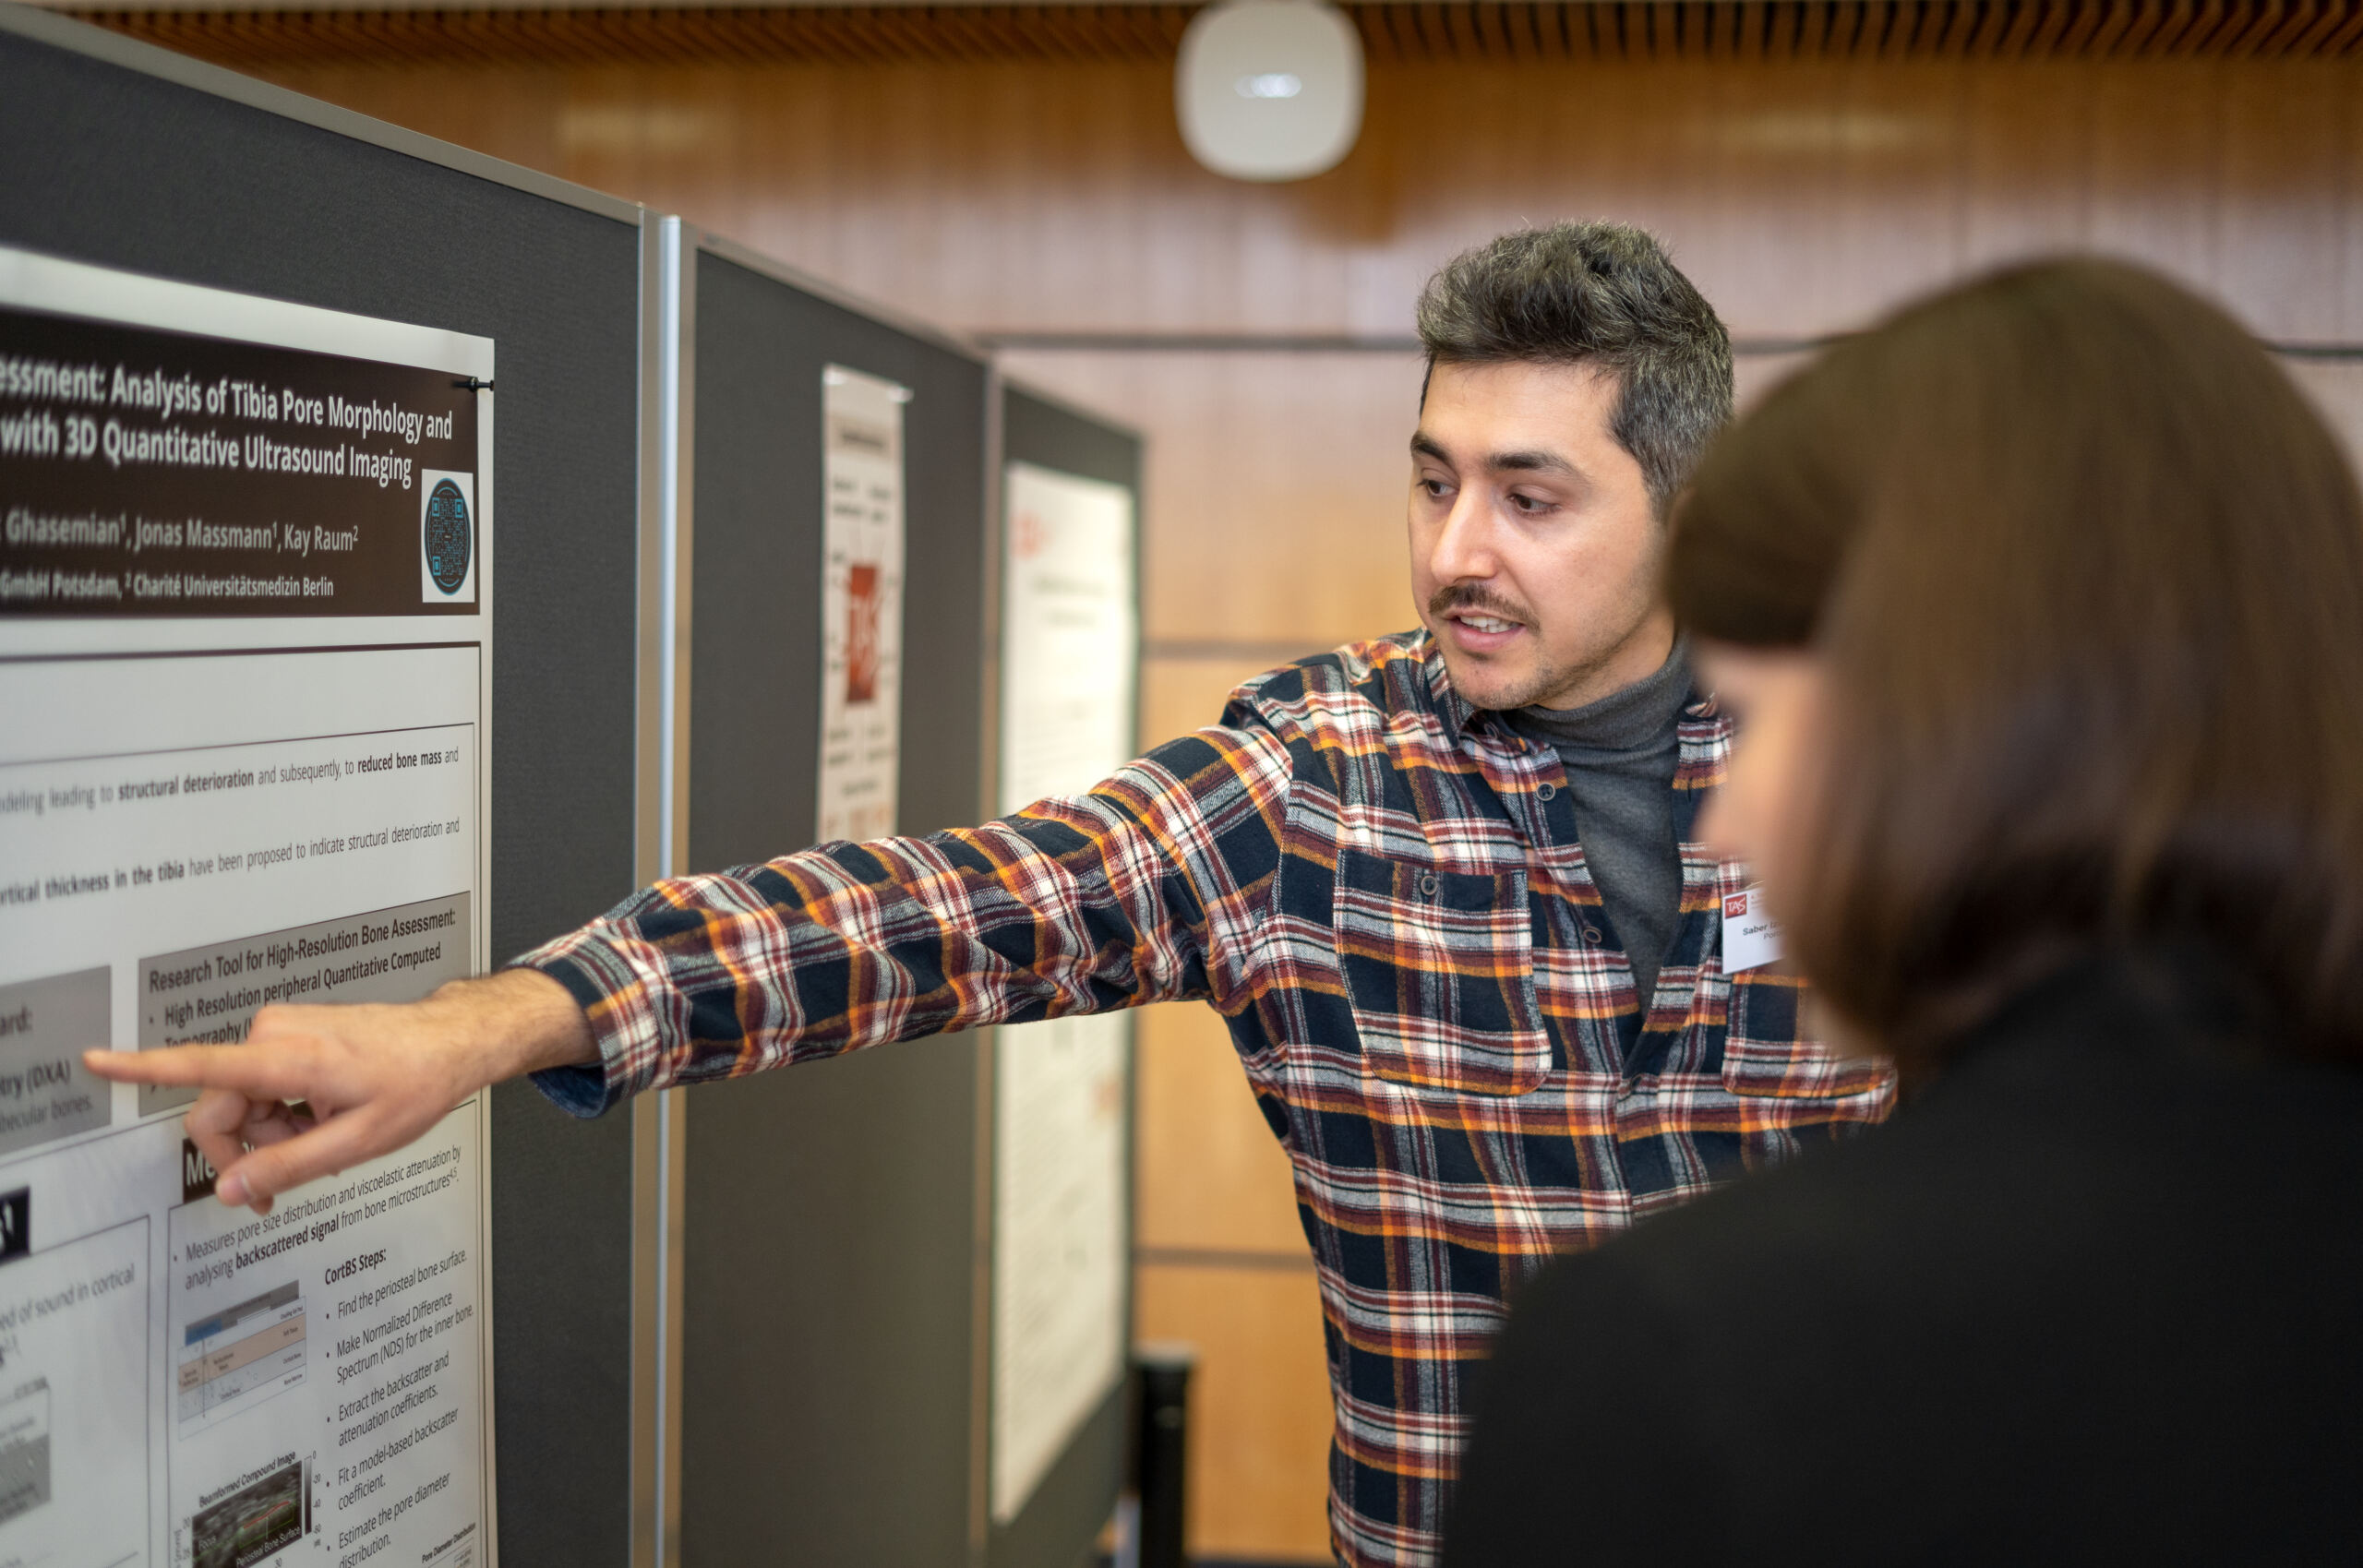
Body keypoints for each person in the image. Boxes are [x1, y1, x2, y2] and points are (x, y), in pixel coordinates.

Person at [87, 221, 1894, 1568]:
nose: (1447, 550)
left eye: (1526, 495)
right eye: (1428, 479)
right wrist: (487, 1022)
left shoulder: (1887, 775)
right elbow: (941, 908)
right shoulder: (1314, 787)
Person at [1443, 258, 2363, 1566]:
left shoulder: (1675, 1350)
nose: (1728, 820)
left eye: (1755, 724)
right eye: (1436, 484)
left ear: (1948, 732)